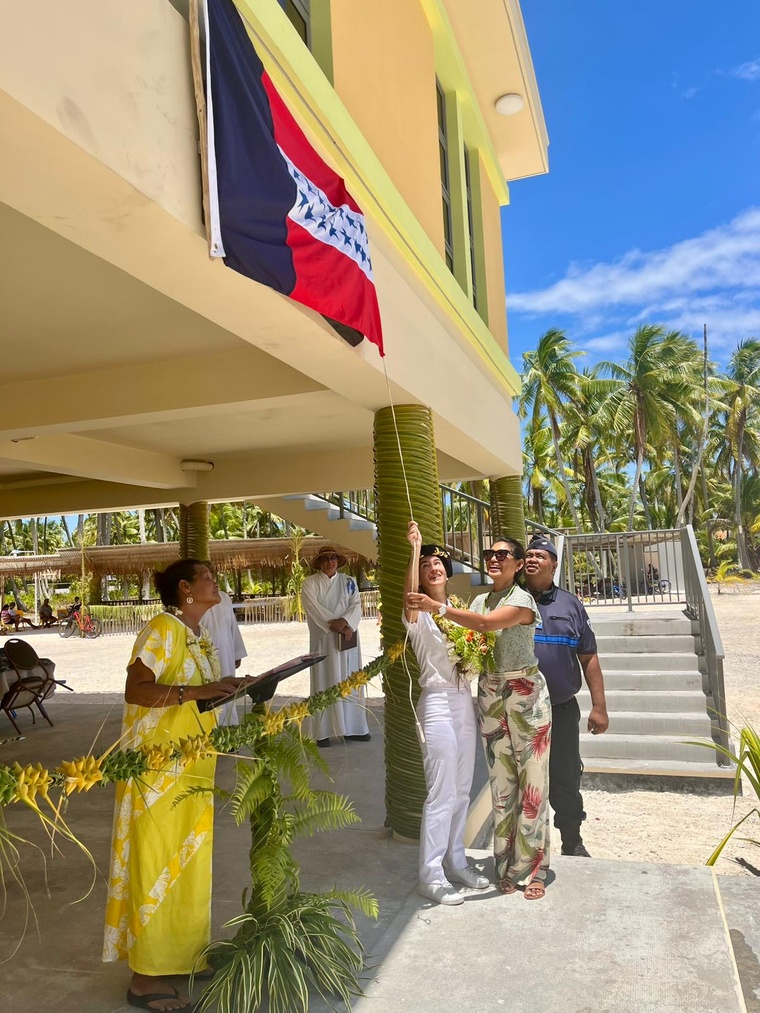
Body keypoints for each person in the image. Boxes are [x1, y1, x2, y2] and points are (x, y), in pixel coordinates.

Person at [103, 559, 255, 1012]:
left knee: (186, 867)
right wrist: (198, 693)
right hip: (156, 773)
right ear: (185, 588)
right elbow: (138, 689)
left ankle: (183, 955)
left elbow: (196, 691)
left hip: (189, 767)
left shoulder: (196, 635)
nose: (216, 583)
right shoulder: (162, 628)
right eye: (207, 577)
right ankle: (145, 977)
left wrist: (225, 685)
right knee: (156, 866)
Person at [407, 536, 551, 900]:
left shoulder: (515, 600)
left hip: (515, 696)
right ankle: (497, 866)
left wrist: (439, 608)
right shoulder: (464, 602)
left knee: (524, 784)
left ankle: (529, 867)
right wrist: (415, 549)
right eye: (489, 554)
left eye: (502, 554)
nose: (494, 559)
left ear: (518, 564)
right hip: (476, 697)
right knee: (497, 786)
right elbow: (415, 601)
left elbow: (485, 626)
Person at [403, 521, 489, 906]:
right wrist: (414, 550)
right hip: (436, 701)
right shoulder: (418, 611)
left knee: (462, 789)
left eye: (438, 562)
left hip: (463, 701)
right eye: (426, 565)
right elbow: (408, 597)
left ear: (447, 572)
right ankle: (430, 874)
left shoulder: (457, 610)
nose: (433, 567)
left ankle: (456, 860)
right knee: (440, 791)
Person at [524, 536, 609, 858]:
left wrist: (599, 707)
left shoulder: (571, 605)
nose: (533, 559)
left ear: (554, 564)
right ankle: (528, 845)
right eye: (529, 554)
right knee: (524, 779)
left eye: (540, 555)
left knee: (566, 775)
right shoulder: (510, 600)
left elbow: (589, 657)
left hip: (561, 708)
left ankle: (572, 839)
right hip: (521, 709)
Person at [301, 545, 370, 746]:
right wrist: (336, 624)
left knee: (349, 678)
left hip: (347, 637)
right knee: (325, 680)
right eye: (325, 559)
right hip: (324, 638)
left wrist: (346, 623)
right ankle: (323, 732)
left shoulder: (349, 581)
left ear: (338, 560)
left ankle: (354, 728)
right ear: (319, 563)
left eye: (333, 558)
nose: (330, 561)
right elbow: (313, 608)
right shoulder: (310, 584)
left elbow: (356, 604)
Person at [202, 586, 247, 727]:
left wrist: (236, 652)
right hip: (203, 652)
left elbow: (232, 624)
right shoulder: (192, 602)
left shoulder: (224, 597)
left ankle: (228, 725)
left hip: (226, 651)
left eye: (212, 575)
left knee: (227, 687)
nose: (212, 581)